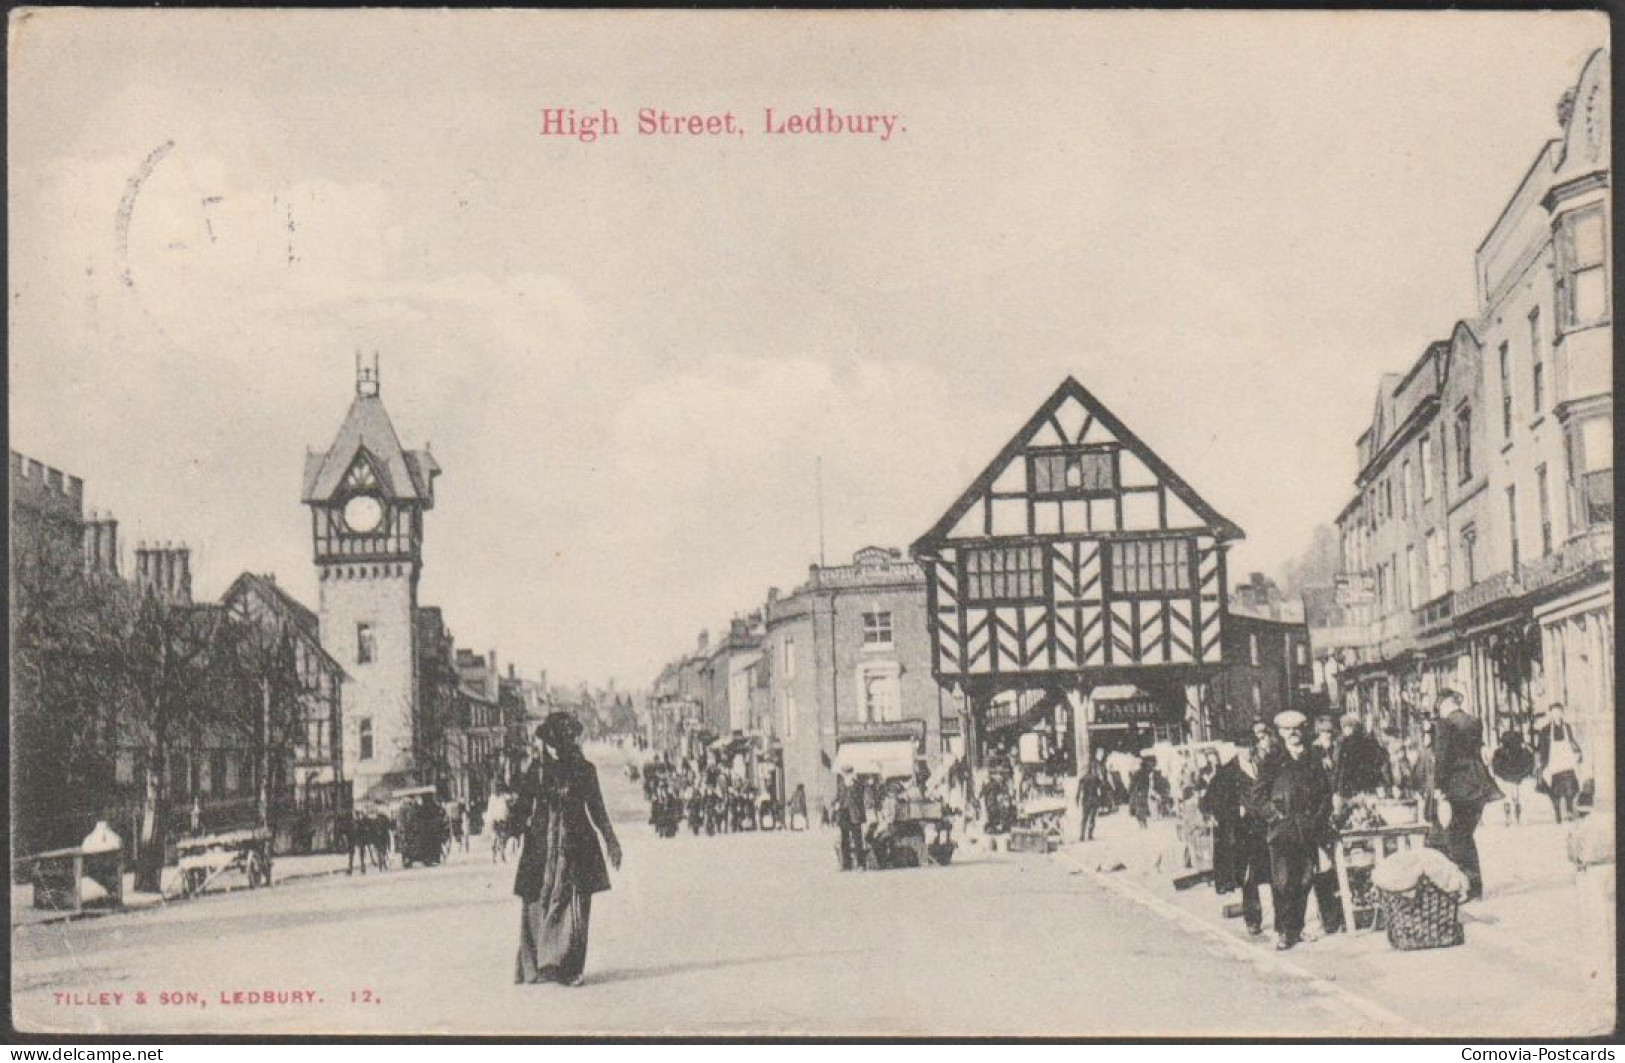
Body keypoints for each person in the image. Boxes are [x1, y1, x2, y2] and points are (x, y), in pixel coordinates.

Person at [513, 713, 622, 986]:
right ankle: (538, 966)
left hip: (575, 845)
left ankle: (566, 967)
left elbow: (596, 809)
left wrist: (611, 840)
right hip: (542, 845)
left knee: (574, 906)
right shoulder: (537, 771)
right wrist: (511, 827)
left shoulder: (584, 770)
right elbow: (524, 806)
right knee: (537, 904)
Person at [1253, 710, 1335, 951]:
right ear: (1279, 733)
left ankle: (1296, 929)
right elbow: (1257, 796)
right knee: (1283, 881)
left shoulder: (1312, 759)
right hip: (1283, 830)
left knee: (1305, 879)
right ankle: (1285, 931)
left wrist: (1317, 819)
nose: (1293, 734)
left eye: (1297, 729)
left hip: (1307, 828)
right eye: (1287, 730)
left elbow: (1324, 794)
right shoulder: (1273, 760)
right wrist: (1275, 816)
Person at [1431, 690, 1502, 902]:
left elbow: (1442, 759)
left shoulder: (1445, 725)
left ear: (1444, 704)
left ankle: (1468, 886)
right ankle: (1475, 886)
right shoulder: (1474, 721)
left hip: (1457, 787)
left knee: (1457, 837)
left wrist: (1439, 787)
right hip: (1478, 785)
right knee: (1466, 834)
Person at [1201, 738, 1270, 936]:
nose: (1247, 751)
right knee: (1249, 878)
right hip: (1242, 832)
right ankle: (1253, 920)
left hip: (1264, 829)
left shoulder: (1264, 766)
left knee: (1274, 875)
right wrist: (1233, 810)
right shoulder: (1227, 772)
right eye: (1243, 747)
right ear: (1237, 749)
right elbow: (1208, 802)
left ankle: (1283, 921)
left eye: (1250, 746)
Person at [1534, 705, 1583, 823]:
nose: (1556, 715)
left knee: (1570, 787)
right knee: (1553, 790)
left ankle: (1569, 809)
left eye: (1559, 712)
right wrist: (1541, 763)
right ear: (1550, 714)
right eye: (1554, 712)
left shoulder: (1567, 727)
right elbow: (1541, 748)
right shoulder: (1545, 730)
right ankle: (1557, 813)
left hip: (1566, 762)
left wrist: (1578, 752)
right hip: (1552, 763)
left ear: (1562, 713)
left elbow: (1571, 741)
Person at [1333, 713, 1391, 801]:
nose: (1348, 730)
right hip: (1351, 783)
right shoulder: (1342, 743)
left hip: (1355, 782)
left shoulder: (1347, 742)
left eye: (1349, 727)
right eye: (1345, 727)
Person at [1491, 730, 1536, 826]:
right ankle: (1517, 817)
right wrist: (1525, 773)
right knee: (1516, 798)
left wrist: (1498, 774)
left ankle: (1509, 817)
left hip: (1506, 776)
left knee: (1507, 798)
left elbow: (1496, 765)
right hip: (1517, 777)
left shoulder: (1500, 752)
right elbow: (1529, 762)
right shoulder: (1522, 751)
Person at [836, 766, 867, 870]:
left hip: (854, 814)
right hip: (843, 813)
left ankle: (861, 864)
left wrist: (862, 816)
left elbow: (860, 801)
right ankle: (846, 864)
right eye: (845, 774)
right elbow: (838, 797)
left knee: (857, 839)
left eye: (848, 773)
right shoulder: (840, 785)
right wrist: (836, 804)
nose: (846, 776)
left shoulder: (857, 785)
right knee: (844, 840)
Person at [1076, 764, 1105, 842]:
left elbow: (1079, 791)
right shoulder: (1096, 778)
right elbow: (1102, 786)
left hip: (1085, 800)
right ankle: (1090, 835)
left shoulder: (1082, 779)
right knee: (1092, 818)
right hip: (1094, 800)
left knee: (1084, 818)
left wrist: (1077, 800)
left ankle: (1082, 835)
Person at [1127, 761, 1153, 830]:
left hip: (1138, 792)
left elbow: (1132, 783)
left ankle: (1142, 823)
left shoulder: (1138, 773)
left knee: (1139, 808)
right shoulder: (1145, 774)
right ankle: (1143, 823)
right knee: (1142, 808)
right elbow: (1147, 784)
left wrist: (1130, 791)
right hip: (1142, 792)